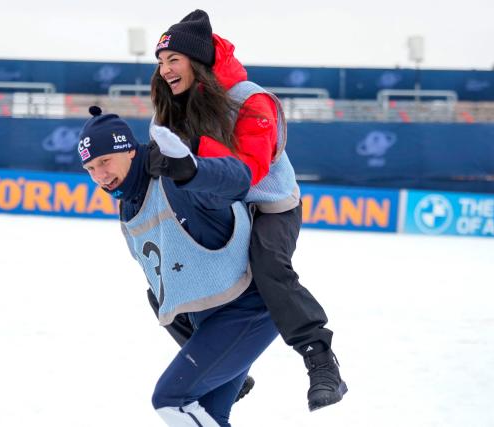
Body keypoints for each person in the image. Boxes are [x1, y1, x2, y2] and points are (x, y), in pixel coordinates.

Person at [148, 10, 347, 412]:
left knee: (268, 266)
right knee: (163, 282)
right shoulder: (173, 104)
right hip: (219, 204)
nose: (165, 70)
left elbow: (249, 171)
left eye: (173, 59)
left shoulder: (251, 99)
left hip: (270, 204)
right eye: (160, 62)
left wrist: (191, 159)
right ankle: (226, 365)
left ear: (196, 60)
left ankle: (320, 360)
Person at [78, 106, 278, 426]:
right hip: (210, 322)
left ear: (129, 149)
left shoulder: (175, 181)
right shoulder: (128, 209)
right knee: (208, 415)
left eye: (104, 161)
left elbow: (236, 182)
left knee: (170, 401)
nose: (99, 175)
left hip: (246, 310)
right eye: (90, 168)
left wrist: (193, 170)